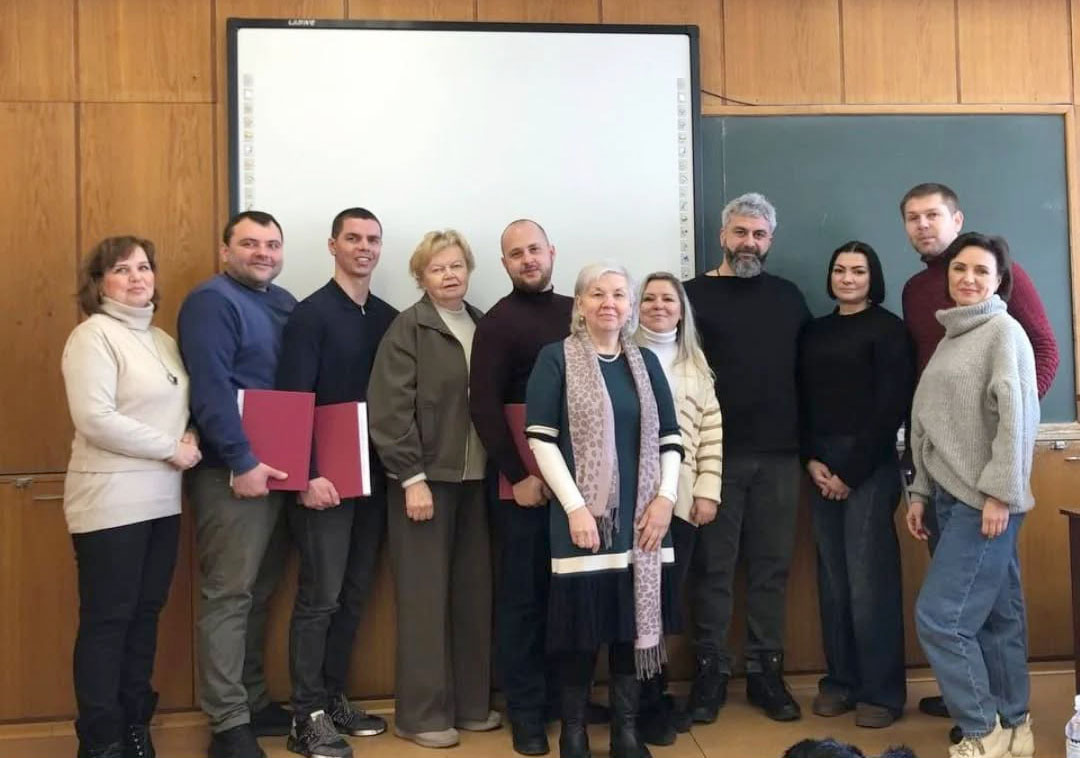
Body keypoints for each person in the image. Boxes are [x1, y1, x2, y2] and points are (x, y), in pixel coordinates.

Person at [898, 182, 1057, 724]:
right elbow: (928, 403)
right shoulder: (938, 315)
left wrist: (1005, 453)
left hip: (985, 484)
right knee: (991, 606)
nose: (924, 224)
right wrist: (920, 485)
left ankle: (984, 721)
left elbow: (1040, 358)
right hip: (942, 478)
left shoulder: (1002, 321)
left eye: (933, 214)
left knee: (950, 615)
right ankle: (1006, 717)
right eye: (913, 217)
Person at [525, 262, 682, 758]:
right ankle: (573, 733)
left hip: (643, 520)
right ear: (580, 304)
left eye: (618, 294)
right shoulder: (556, 358)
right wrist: (576, 508)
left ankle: (625, 732)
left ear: (630, 306)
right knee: (580, 629)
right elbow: (541, 440)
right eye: (597, 294)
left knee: (629, 627)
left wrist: (665, 500)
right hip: (581, 520)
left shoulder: (645, 363)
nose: (608, 303)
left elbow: (670, 438)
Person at [62, 236, 200, 758]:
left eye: (144, 267)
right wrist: (171, 448)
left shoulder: (162, 339)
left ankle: (135, 726)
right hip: (110, 502)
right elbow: (95, 418)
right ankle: (101, 741)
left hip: (162, 500)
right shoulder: (92, 336)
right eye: (122, 270)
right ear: (99, 283)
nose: (137, 278)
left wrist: (191, 436)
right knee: (108, 621)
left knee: (145, 618)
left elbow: (179, 409)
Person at [368, 229, 499, 749]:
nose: (449, 275)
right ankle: (421, 716)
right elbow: (389, 409)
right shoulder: (409, 328)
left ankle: (470, 705)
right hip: (424, 484)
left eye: (456, 266)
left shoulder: (482, 323)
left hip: (476, 482)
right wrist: (411, 477)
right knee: (424, 601)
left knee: (473, 595)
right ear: (421, 277)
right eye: (437, 268)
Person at [683, 192, 810, 722]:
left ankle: (765, 674)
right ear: (722, 236)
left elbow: (809, 374)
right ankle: (710, 675)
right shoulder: (690, 296)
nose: (748, 243)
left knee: (770, 569)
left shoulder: (788, 297)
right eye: (740, 232)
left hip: (780, 457)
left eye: (759, 235)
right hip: (715, 459)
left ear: (770, 240)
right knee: (712, 570)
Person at [275, 208, 397, 758]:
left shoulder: (388, 317)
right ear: (333, 245)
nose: (364, 247)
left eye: (372, 239)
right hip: (323, 479)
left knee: (353, 595)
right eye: (353, 238)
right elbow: (292, 399)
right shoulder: (309, 315)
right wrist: (305, 475)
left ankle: (333, 699)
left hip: (374, 477)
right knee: (319, 598)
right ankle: (306, 717)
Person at [177, 211, 297, 758]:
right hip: (233, 473)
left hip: (277, 471)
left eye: (272, 244)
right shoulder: (212, 301)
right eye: (249, 243)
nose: (262, 253)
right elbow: (211, 389)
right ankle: (227, 725)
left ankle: (251, 699)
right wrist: (242, 461)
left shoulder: (283, 302)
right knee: (228, 595)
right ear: (225, 250)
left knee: (259, 591)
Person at [468, 219, 575, 756]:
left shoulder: (579, 311)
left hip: (578, 488)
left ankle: (563, 701)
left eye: (535, 249)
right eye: (516, 254)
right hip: (524, 488)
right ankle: (527, 712)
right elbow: (484, 408)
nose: (528, 259)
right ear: (505, 264)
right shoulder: (497, 323)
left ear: (551, 251)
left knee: (569, 598)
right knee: (524, 602)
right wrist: (518, 477)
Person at [798, 242, 913, 729]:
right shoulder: (814, 331)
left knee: (870, 582)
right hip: (820, 464)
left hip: (870, 466)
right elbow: (800, 399)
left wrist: (849, 472)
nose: (847, 278)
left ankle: (881, 693)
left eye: (858, 271)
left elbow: (890, 408)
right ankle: (840, 682)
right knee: (833, 581)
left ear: (872, 277)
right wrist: (812, 460)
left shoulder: (889, 330)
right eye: (840, 269)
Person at [632, 271, 723, 744]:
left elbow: (711, 430)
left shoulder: (695, 362)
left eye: (668, 299)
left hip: (682, 502)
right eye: (648, 298)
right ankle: (635, 702)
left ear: (682, 309)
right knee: (633, 603)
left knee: (665, 602)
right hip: (631, 502)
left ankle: (657, 694)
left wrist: (708, 490)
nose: (658, 306)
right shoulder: (621, 353)